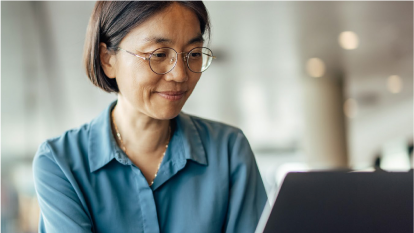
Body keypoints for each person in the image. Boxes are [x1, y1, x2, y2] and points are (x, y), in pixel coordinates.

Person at [32, 0, 267, 232]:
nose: (180, 74)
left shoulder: (229, 151)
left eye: (193, 53)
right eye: (159, 54)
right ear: (107, 59)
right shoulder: (60, 163)